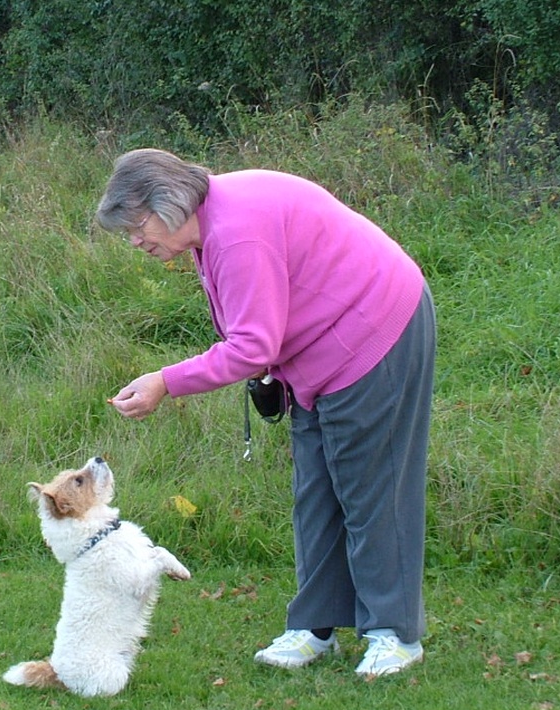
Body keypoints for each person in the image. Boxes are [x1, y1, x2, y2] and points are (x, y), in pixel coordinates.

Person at [96, 148, 435, 678]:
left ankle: (393, 634)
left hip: (376, 328)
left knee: (373, 489)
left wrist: (166, 381)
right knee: (316, 493)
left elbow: (251, 346)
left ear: (170, 202)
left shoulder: (235, 233)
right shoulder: (208, 224)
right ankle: (314, 626)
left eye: (138, 226)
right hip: (317, 353)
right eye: (128, 233)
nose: (136, 241)